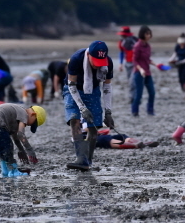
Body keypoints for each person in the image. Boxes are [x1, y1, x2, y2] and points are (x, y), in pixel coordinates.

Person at [63, 40, 115, 171]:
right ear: (88, 55)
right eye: (95, 61)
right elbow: (71, 85)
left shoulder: (108, 63)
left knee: (94, 126)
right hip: (72, 89)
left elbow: (107, 87)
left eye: (100, 63)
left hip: (93, 89)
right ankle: (81, 158)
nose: (98, 66)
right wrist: (82, 108)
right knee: (74, 119)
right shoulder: (76, 59)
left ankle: (88, 161)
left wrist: (108, 112)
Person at [0, 104, 46, 177]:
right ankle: (13, 171)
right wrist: (29, 150)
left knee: (2, 148)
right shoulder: (24, 114)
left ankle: (5, 171)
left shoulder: (17, 115)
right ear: (33, 114)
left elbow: (16, 136)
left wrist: (21, 150)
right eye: (32, 124)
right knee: (8, 147)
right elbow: (20, 134)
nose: (28, 125)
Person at [131, 26, 157, 116]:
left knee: (152, 92)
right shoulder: (137, 46)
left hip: (147, 72)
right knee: (139, 94)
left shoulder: (148, 46)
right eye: (147, 34)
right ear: (142, 34)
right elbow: (134, 60)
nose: (149, 35)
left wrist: (156, 64)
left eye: (150, 34)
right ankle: (135, 111)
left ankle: (150, 111)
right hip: (139, 73)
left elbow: (148, 59)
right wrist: (140, 69)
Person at [117, 26, 138, 103]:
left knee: (133, 81)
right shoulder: (121, 42)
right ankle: (135, 96)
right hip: (128, 64)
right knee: (130, 81)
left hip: (136, 64)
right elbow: (121, 52)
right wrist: (120, 63)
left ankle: (132, 98)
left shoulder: (136, 41)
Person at [94, 129, 159, 149]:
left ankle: (142, 143)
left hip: (98, 134)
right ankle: (135, 145)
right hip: (89, 137)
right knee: (105, 139)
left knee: (122, 136)